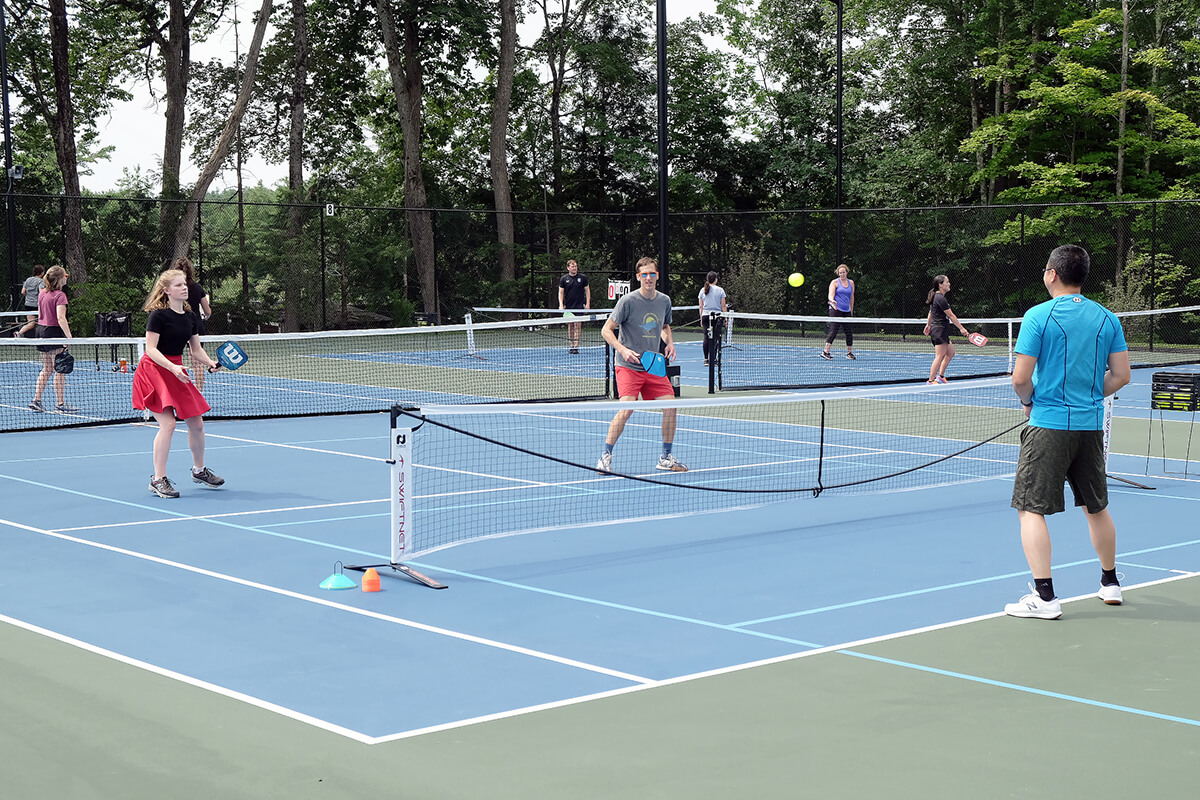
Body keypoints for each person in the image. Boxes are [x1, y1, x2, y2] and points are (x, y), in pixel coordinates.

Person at [1005, 245, 1131, 619]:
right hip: (1090, 427)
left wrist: (1029, 401)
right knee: (1097, 507)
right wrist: (1092, 394)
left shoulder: (1037, 317)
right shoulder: (1108, 318)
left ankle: (1045, 598)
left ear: (1051, 274)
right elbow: (1122, 375)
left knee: (1030, 510)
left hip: (1048, 425)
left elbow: (1021, 378)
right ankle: (1110, 583)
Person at [133, 269, 225, 499]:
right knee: (169, 424)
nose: (184, 288)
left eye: (184, 284)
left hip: (177, 369)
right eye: (178, 285)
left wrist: (210, 362)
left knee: (197, 424)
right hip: (154, 369)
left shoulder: (191, 317)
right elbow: (151, 350)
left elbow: (196, 349)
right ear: (166, 291)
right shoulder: (158, 316)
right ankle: (158, 479)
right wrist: (172, 367)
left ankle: (199, 470)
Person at [596, 257, 688, 474]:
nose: (648, 278)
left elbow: (664, 326)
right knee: (627, 408)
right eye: (644, 274)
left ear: (657, 276)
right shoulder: (627, 301)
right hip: (629, 366)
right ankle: (605, 457)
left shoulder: (664, 301)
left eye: (652, 274)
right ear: (638, 277)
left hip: (652, 365)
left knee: (670, 406)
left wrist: (670, 344)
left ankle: (665, 458)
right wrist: (623, 349)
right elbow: (606, 330)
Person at [29, 265, 77, 413]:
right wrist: (69, 337)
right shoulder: (60, 296)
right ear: (60, 279)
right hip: (53, 332)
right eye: (65, 276)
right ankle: (60, 404)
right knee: (59, 370)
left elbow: (41, 312)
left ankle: (36, 400)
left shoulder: (42, 293)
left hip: (41, 331)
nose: (66, 278)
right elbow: (61, 318)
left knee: (47, 368)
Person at [174, 256, 213, 390]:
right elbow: (207, 311)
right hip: (196, 325)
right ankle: (199, 394)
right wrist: (205, 316)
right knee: (197, 363)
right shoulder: (197, 287)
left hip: (177, 326)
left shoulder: (173, 288)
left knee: (172, 360)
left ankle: (174, 394)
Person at [923, 274, 969, 384]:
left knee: (951, 352)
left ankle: (941, 376)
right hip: (939, 330)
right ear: (940, 285)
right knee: (939, 356)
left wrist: (928, 325)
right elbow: (951, 316)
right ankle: (930, 381)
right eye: (947, 282)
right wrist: (962, 329)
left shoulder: (937, 297)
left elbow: (931, 312)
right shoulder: (939, 298)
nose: (949, 284)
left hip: (940, 329)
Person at [820, 264, 856, 360]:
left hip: (846, 310)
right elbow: (830, 295)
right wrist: (832, 301)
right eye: (840, 273)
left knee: (849, 332)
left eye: (843, 272)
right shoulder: (835, 282)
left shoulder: (851, 283)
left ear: (846, 272)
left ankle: (849, 353)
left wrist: (851, 310)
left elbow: (851, 297)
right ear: (838, 273)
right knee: (833, 330)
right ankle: (826, 351)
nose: (842, 274)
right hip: (835, 310)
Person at [558, 259, 590, 354]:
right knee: (571, 326)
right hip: (569, 306)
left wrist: (588, 303)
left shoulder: (582, 278)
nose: (574, 268)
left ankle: (576, 345)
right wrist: (561, 304)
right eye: (572, 266)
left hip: (579, 306)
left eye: (575, 266)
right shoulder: (564, 279)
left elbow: (587, 290)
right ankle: (571, 345)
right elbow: (561, 292)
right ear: (568, 268)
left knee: (578, 325)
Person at [697, 271, 727, 367]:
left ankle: (706, 359)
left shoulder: (702, 290)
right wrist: (726, 317)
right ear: (716, 279)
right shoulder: (720, 290)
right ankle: (713, 358)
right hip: (717, 317)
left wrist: (701, 318)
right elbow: (723, 305)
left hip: (706, 316)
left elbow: (701, 306)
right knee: (716, 338)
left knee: (706, 337)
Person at [16, 264, 44, 338]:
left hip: (28, 305)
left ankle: (19, 333)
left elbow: (23, 291)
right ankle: (42, 336)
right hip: (38, 305)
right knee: (43, 321)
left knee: (31, 323)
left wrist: (29, 297)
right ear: (42, 273)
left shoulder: (28, 280)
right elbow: (41, 292)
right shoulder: (41, 281)